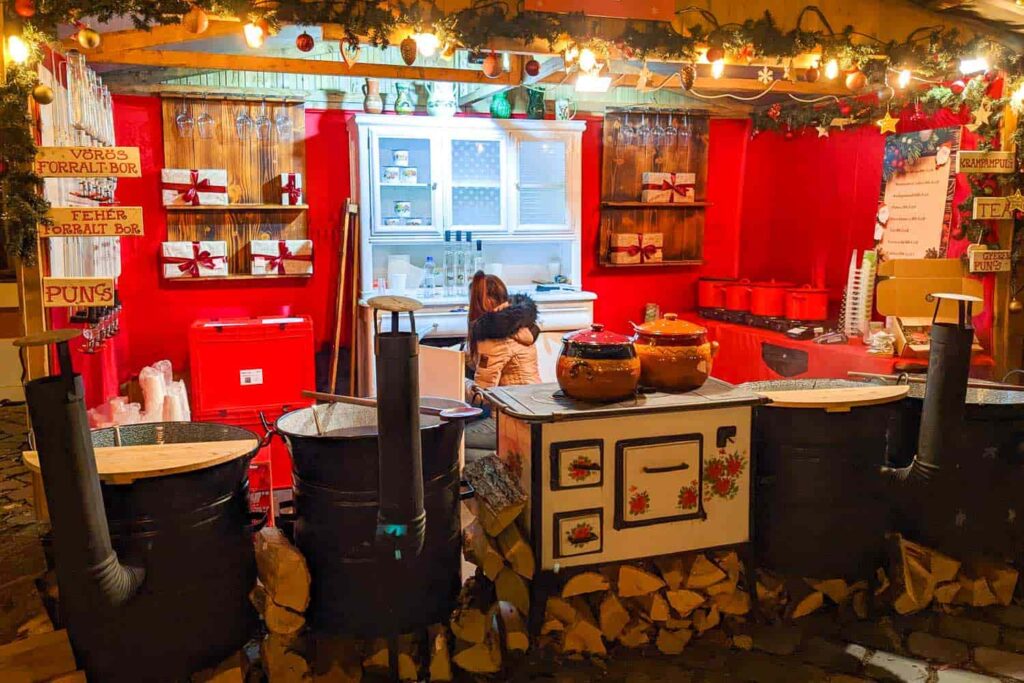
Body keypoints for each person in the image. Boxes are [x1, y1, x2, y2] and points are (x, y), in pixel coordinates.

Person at [464, 272, 540, 458]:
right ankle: (509, 460)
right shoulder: (516, 325)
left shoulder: (494, 337)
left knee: (450, 439)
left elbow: (482, 396)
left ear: (485, 301)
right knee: (462, 448)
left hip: (512, 419)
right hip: (531, 412)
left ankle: (508, 463)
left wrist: (458, 382)